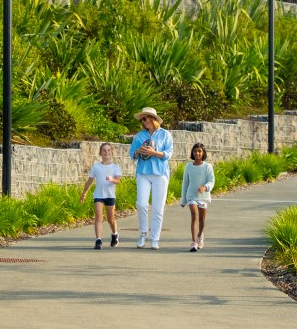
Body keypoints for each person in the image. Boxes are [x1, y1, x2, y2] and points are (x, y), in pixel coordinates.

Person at [128, 107, 173, 249]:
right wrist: (138, 151)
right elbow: (132, 155)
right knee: (141, 204)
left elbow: (168, 154)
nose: (143, 121)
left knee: (158, 208)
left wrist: (154, 153)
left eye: (145, 118)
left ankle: (155, 238)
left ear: (153, 119)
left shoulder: (165, 134)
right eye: (142, 119)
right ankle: (143, 234)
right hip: (143, 173)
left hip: (160, 174)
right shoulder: (139, 136)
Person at [78, 142, 122, 250]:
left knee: (110, 219)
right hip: (98, 195)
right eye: (104, 150)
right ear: (100, 153)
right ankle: (98, 240)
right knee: (98, 217)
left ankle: (115, 234)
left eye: (108, 150)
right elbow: (89, 181)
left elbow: (118, 181)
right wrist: (84, 193)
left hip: (110, 196)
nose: (106, 152)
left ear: (111, 152)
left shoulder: (115, 167)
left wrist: (112, 179)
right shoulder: (96, 167)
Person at [179, 142, 215, 251]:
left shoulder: (207, 166)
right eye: (195, 151)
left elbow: (211, 181)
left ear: (203, 153)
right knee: (194, 215)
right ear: (192, 153)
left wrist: (205, 187)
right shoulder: (188, 167)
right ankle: (193, 242)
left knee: (202, 220)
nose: (197, 153)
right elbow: (185, 183)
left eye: (199, 151)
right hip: (191, 196)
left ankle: (200, 236)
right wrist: (183, 199)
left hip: (203, 197)